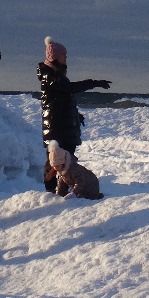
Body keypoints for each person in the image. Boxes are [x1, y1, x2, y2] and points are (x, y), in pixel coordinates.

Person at [37, 36, 111, 191]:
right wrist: (94, 83)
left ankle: (62, 191)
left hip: (62, 127)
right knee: (55, 162)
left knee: (66, 161)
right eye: (64, 55)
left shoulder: (56, 75)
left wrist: (76, 116)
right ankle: (50, 194)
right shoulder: (49, 76)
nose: (66, 58)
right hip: (56, 129)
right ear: (56, 57)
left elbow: (62, 101)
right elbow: (69, 88)